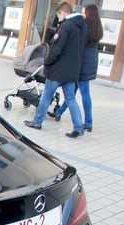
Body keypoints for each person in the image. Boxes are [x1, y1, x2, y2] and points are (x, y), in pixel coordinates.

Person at [24, 2, 87, 138]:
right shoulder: (83, 27)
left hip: (58, 70)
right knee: (71, 99)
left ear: (63, 13)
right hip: (72, 70)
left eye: (59, 15)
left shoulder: (66, 26)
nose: (58, 19)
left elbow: (56, 48)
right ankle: (79, 127)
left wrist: (47, 62)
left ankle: (37, 121)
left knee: (46, 96)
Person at [49, 4, 103, 132]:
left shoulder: (84, 26)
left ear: (89, 14)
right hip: (91, 60)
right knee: (72, 91)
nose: (82, 14)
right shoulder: (97, 27)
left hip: (83, 61)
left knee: (82, 92)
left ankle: (88, 122)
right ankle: (60, 112)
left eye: (84, 13)